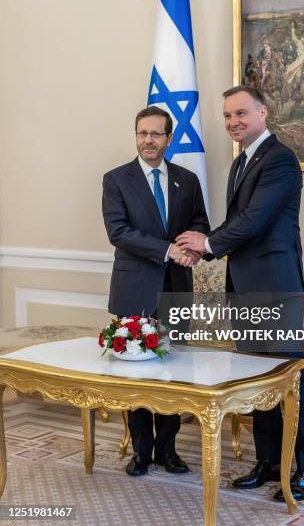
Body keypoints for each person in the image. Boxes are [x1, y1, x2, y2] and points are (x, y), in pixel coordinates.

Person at [176, 85, 304, 502]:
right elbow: (240, 225)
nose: (233, 122)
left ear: (263, 112)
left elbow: (255, 221)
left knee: (293, 380)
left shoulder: (279, 160)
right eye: (227, 116)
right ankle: (267, 462)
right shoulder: (240, 162)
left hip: (275, 288)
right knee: (257, 381)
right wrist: (205, 248)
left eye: (241, 113)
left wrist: (205, 244)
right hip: (244, 286)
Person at [102, 105, 209, 478]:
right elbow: (118, 232)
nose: (148, 140)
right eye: (142, 133)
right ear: (136, 136)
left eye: (155, 134)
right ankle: (141, 453)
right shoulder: (116, 179)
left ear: (168, 138)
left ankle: (168, 450)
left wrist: (192, 247)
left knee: (172, 374)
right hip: (133, 289)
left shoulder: (187, 179)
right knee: (135, 375)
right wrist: (167, 250)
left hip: (176, 289)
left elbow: (199, 222)